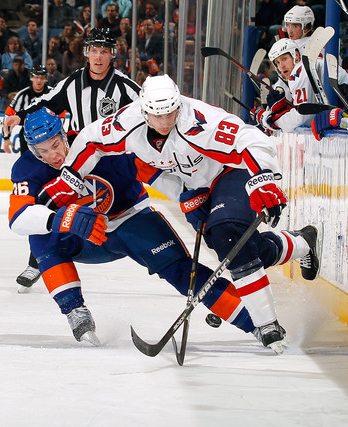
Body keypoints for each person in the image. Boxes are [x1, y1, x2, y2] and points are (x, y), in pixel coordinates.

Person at [43, 75, 321, 352]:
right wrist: (71, 175)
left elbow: (250, 139)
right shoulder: (127, 123)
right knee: (239, 247)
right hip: (196, 187)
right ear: (144, 110)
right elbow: (91, 140)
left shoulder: (199, 120)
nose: (165, 121)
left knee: (229, 237)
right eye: (158, 115)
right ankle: (301, 242)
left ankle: (267, 324)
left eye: (171, 112)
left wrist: (263, 179)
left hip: (230, 173)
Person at [8, 106, 264, 346]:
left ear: (64, 134)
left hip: (130, 219)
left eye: (55, 145)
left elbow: (145, 169)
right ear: (32, 150)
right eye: (42, 151)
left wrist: (184, 196)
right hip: (85, 238)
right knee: (40, 236)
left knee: (181, 271)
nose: (54, 155)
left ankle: (257, 322)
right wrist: (63, 219)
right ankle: (74, 309)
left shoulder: (91, 144)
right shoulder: (26, 169)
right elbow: (18, 218)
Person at [3, 28, 140, 290]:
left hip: (109, 162)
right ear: (87, 53)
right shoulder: (72, 83)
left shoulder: (126, 87)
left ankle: (147, 250)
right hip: (75, 159)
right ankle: (38, 263)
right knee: (47, 205)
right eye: (94, 51)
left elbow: (150, 112)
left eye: (104, 52)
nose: (98, 57)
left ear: (112, 55)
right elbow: (45, 104)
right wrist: (19, 116)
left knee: (117, 209)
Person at [2, 65, 52, 154]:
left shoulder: (52, 93)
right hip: (27, 134)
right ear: (31, 78)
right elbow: (9, 114)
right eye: (36, 77)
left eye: (42, 78)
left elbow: (61, 114)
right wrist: (6, 138)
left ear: (46, 79)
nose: (39, 80)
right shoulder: (22, 95)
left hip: (48, 134)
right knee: (28, 162)